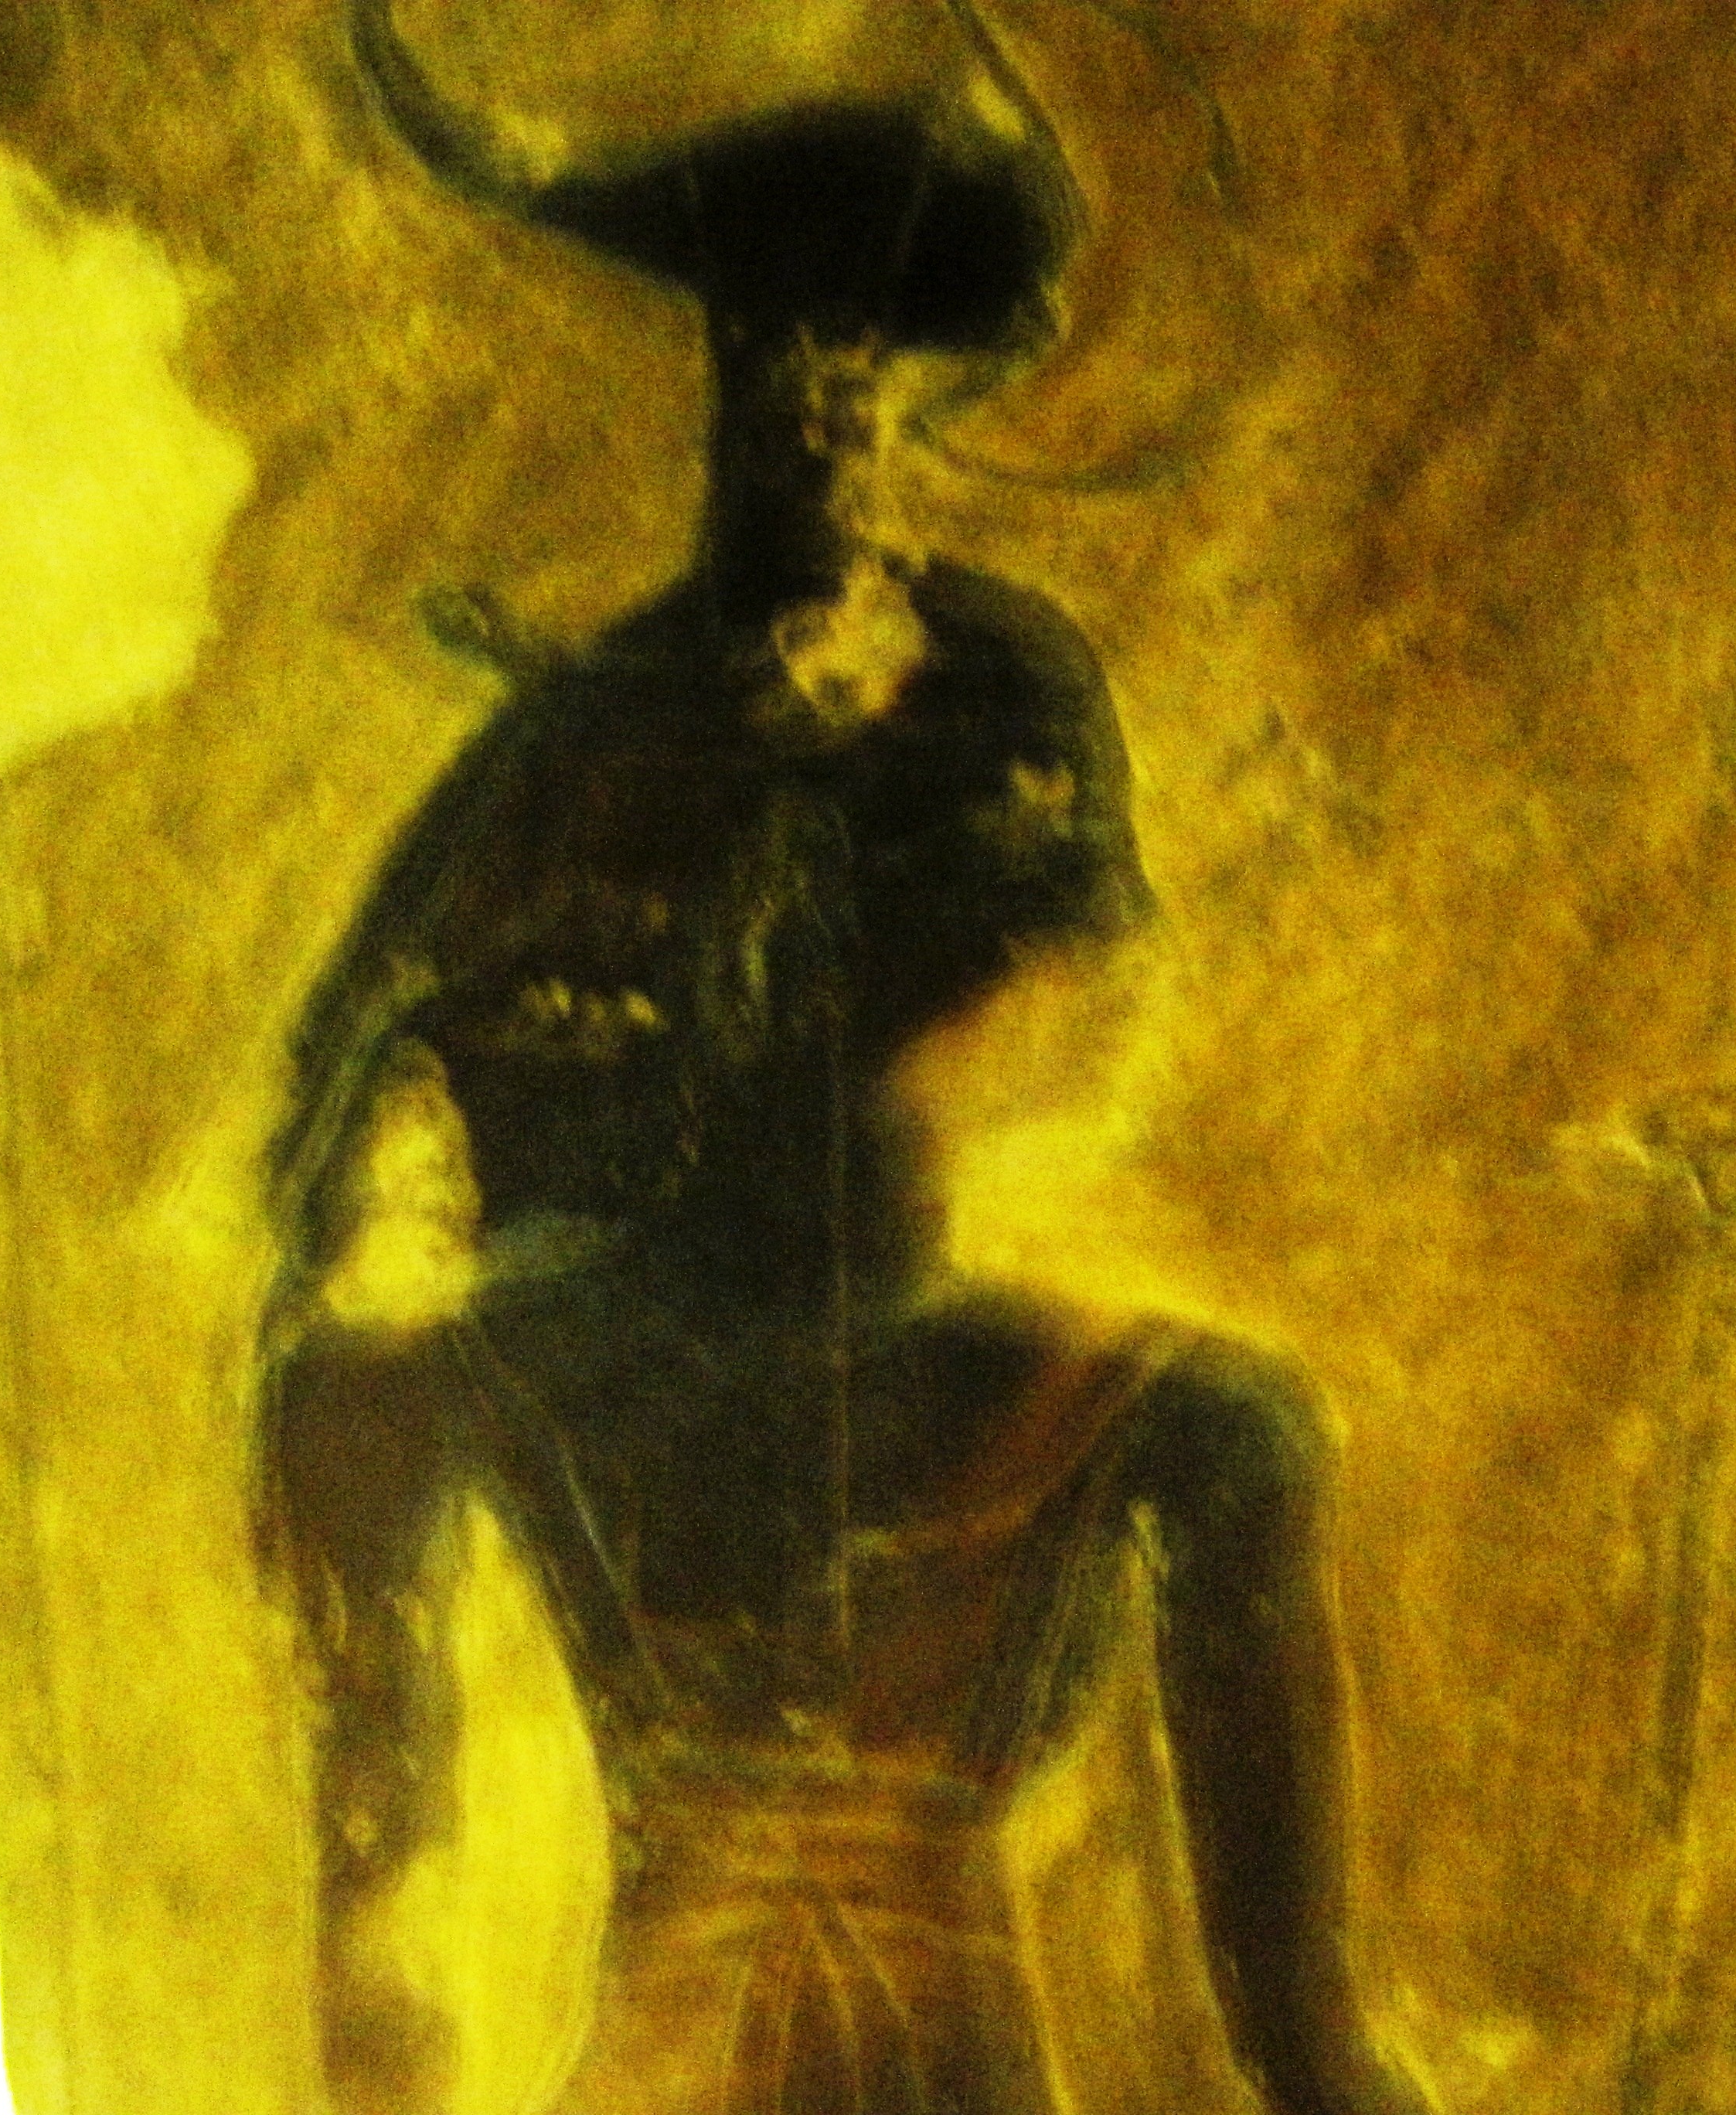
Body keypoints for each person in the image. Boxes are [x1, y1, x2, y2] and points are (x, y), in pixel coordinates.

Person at [260, 14, 1421, 2110]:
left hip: (859, 1324)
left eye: (858, 358)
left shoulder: (986, 681)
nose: (816, 409)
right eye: (780, 356)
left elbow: (1057, 976)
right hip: (658, 1324)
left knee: (1231, 1438)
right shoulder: (611, 725)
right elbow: (378, 1069)